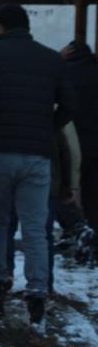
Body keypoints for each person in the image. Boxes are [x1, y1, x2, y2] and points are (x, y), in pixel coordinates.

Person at [0, 4, 75, 329]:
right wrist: (46, 128)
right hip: (37, 156)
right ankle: (38, 293)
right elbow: (71, 105)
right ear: (28, 26)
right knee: (36, 228)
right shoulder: (52, 59)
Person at [6, 122, 81, 294]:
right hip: (48, 180)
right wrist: (71, 183)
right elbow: (72, 150)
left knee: (4, 226)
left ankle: (3, 274)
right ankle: (44, 283)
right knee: (42, 233)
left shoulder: (6, 102)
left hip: (10, 174)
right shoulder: (55, 108)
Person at [62, 41, 98, 232]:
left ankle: (74, 229)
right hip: (95, 143)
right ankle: (93, 233)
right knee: (93, 193)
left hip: (72, 141)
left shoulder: (65, 73)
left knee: (65, 190)